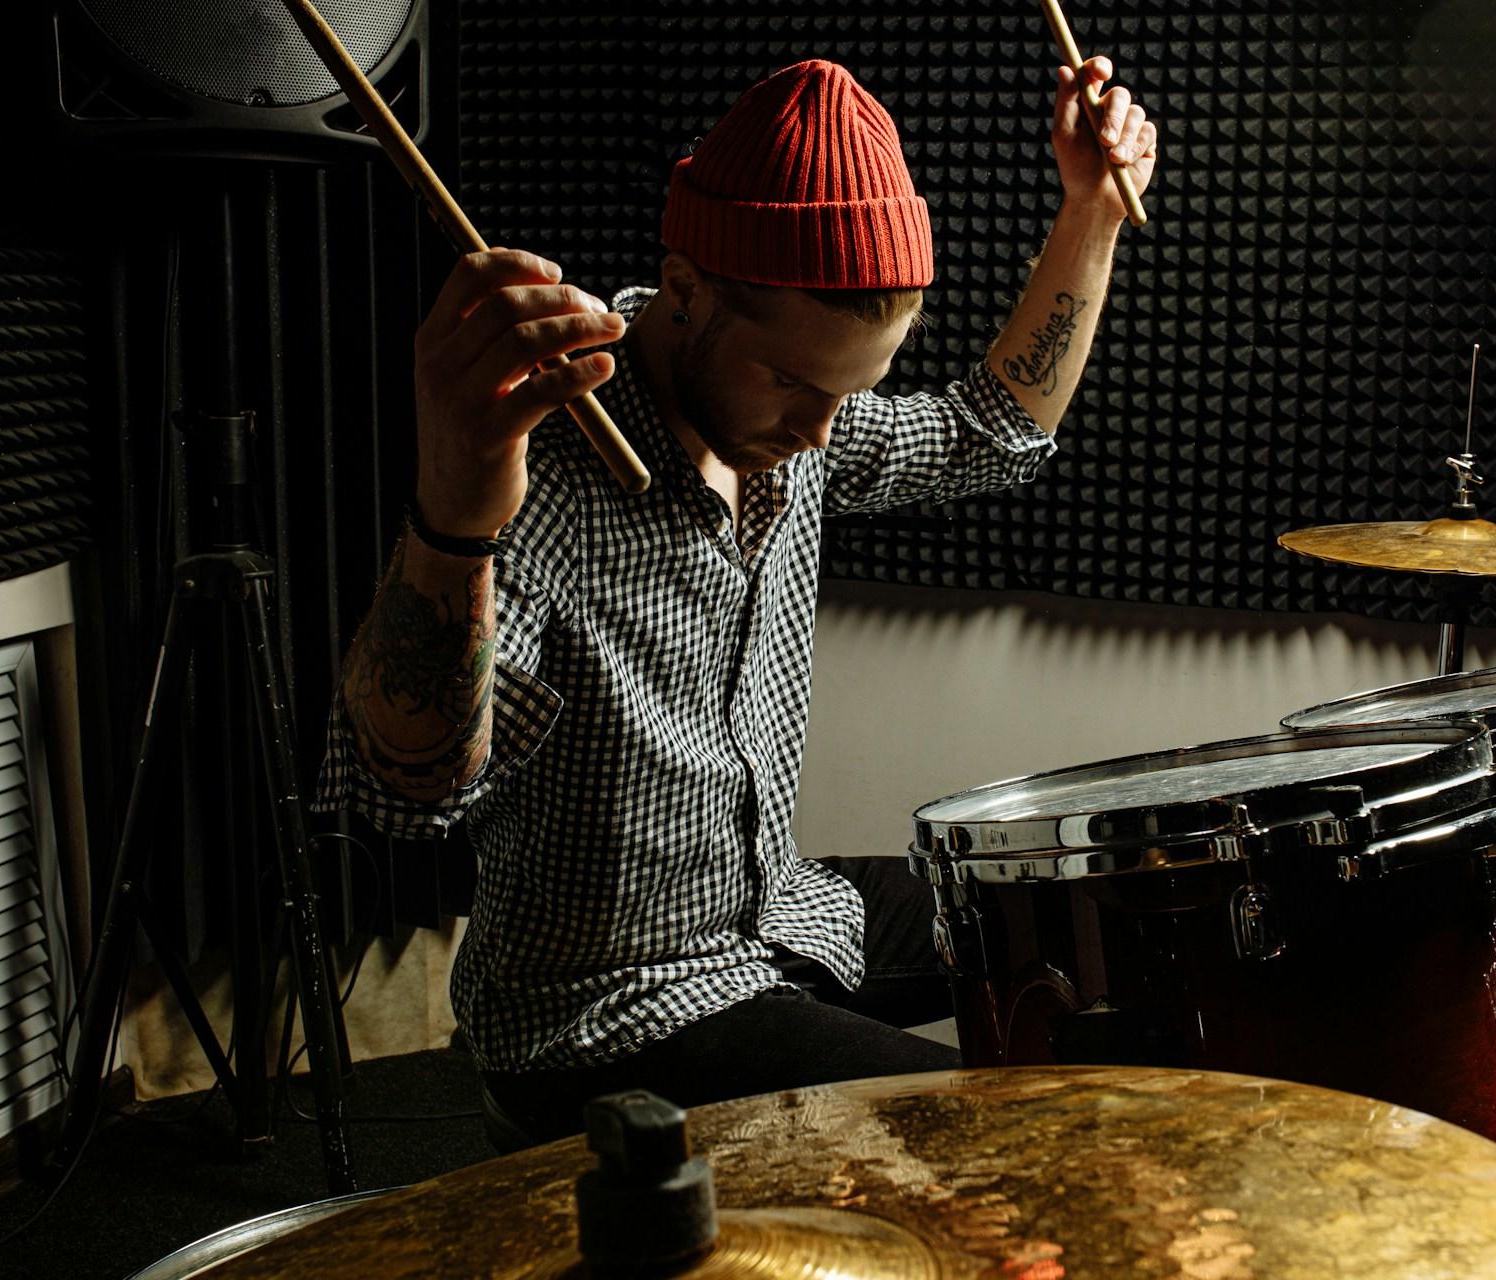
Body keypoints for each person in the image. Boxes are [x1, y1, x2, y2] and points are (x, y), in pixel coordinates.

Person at [318, 54, 1158, 1145]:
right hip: (604, 1016)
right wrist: (454, 515)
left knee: (1108, 927)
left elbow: (986, 433)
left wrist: (1092, 209)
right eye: (795, 383)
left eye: (849, 391)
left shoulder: (791, 427)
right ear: (685, 289)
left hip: (772, 914)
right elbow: (403, 795)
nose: (818, 432)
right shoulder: (550, 470)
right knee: (998, 1134)